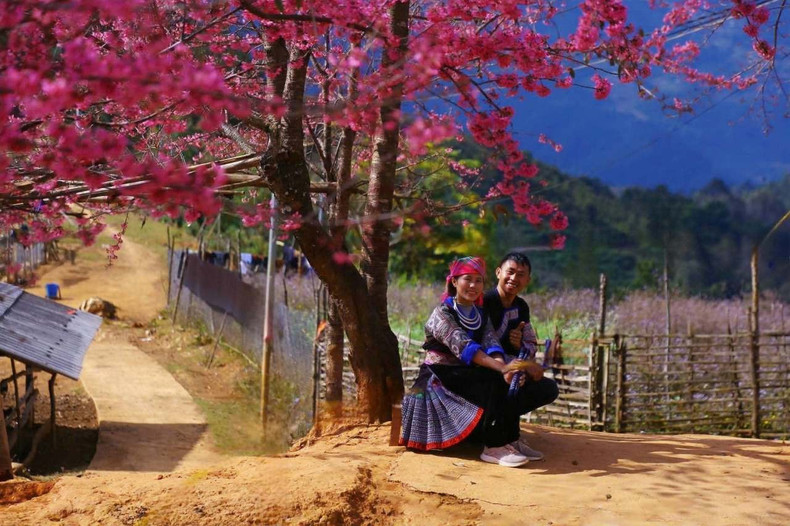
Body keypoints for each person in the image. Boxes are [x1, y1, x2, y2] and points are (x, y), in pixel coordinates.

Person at [399, 256, 537, 468]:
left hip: (464, 372)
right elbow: (468, 349)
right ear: (454, 281)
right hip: (439, 375)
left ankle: (510, 438)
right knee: (493, 379)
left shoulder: (480, 313)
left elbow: (491, 344)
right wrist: (502, 369)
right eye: (467, 279)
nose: (473, 285)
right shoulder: (442, 314)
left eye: (478, 280)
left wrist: (505, 367)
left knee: (508, 380)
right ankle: (493, 446)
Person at [482, 252, 560, 461]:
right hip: (486, 366)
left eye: (521, 275)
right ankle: (495, 441)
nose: (514, 279)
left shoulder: (521, 306)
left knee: (546, 387)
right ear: (498, 272)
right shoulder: (485, 302)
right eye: (510, 272)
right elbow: (483, 340)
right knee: (507, 382)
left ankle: (511, 438)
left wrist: (519, 352)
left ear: (528, 280)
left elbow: (528, 342)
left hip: (512, 365)